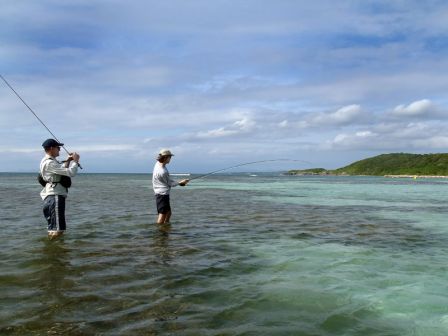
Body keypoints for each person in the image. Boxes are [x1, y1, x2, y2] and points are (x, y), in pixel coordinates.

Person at [39, 139, 80, 239]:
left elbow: (61, 171)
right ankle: (55, 252)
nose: (60, 150)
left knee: (53, 229)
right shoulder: (49, 163)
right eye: (58, 148)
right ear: (52, 148)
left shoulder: (49, 161)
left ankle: (52, 251)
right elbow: (71, 173)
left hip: (51, 196)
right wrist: (75, 161)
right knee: (58, 230)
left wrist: (68, 161)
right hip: (55, 197)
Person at [152, 149, 189, 224]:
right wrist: (181, 183)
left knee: (168, 213)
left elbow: (169, 182)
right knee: (162, 215)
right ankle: (160, 233)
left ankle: (166, 228)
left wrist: (180, 183)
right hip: (162, 195)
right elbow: (170, 184)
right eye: (170, 157)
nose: (170, 159)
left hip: (162, 193)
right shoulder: (162, 171)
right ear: (165, 158)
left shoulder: (157, 164)